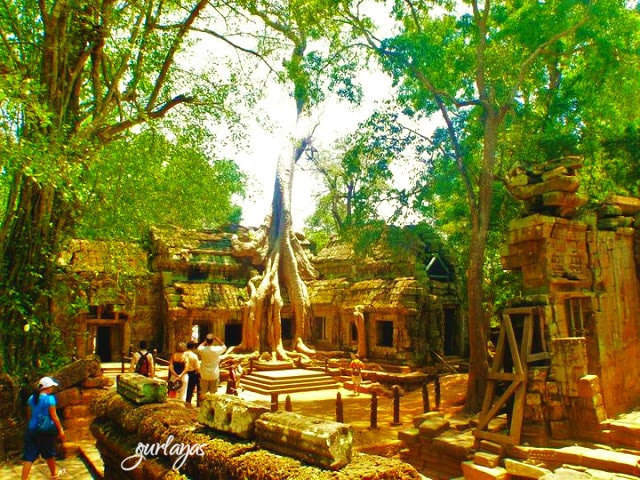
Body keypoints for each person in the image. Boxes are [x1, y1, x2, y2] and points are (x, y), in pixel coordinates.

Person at [22, 376, 65, 480]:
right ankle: (54, 475)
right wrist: (61, 430)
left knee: (28, 457)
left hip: (31, 430)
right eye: (51, 387)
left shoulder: (31, 398)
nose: (52, 389)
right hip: (45, 431)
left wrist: (30, 427)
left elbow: (29, 415)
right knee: (49, 454)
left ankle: (23, 479)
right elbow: (54, 416)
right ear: (48, 387)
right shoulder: (50, 399)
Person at [183, 341, 201, 406]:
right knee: (195, 387)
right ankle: (199, 403)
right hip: (192, 373)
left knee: (187, 389)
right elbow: (197, 367)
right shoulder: (194, 356)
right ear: (193, 347)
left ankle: (187, 402)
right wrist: (200, 373)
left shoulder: (183, 354)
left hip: (183, 373)